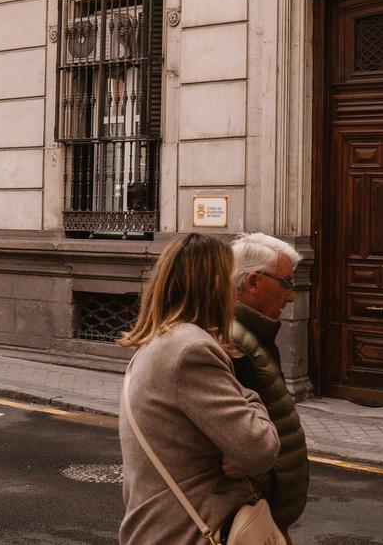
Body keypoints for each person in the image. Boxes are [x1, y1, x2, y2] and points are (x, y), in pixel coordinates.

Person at [117, 233, 281, 545]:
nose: (234, 292)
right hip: (189, 533)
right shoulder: (190, 350)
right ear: (214, 286)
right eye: (229, 279)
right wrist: (251, 398)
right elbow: (259, 449)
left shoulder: (159, 343)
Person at [229, 232, 310, 537]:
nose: (291, 297)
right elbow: (237, 446)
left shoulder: (255, 335)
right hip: (255, 515)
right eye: (286, 284)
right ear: (253, 282)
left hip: (267, 512)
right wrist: (264, 488)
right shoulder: (234, 344)